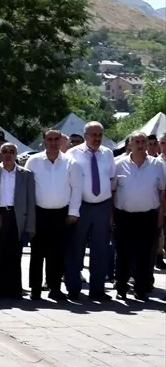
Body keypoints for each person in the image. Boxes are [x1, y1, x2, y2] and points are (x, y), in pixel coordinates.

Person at [66, 121, 116, 301]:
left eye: (100, 135)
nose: (97, 139)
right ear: (85, 135)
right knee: (76, 248)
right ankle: (73, 287)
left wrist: (110, 211)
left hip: (102, 206)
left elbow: (111, 182)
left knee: (100, 249)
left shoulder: (108, 154)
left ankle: (97, 289)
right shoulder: (72, 154)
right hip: (81, 206)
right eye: (94, 135)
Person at [25, 129, 77, 301]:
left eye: (56, 139)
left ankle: (55, 287)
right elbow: (27, 188)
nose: (53, 142)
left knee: (57, 254)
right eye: (50, 139)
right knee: (37, 253)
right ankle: (35, 288)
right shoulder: (33, 161)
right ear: (44, 141)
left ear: (61, 141)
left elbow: (76, 189)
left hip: (61, 213)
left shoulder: (71, 162)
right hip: (39, 212)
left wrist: (73, 212)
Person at [112, 132, 166, 299]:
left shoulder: (157, 165)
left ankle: (141, 289)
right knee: (123, 254)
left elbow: (162, 192)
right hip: (124, 216)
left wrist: (160, 216)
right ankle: (121, 287)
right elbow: (112, 191)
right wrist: (111, 216)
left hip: (148, 216)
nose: (141, 144)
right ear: (129, 144)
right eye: (137, 141)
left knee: (145, 254)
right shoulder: (118, 164)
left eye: (143, 141)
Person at [0, 143, 37, 299]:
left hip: (17, 216)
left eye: (11, 152)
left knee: (15, 254)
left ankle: (15, 290)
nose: (8, 154)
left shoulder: (26, 174)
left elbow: (31, 201)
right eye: (5, 151)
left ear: (16, 154)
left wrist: (31, 226)